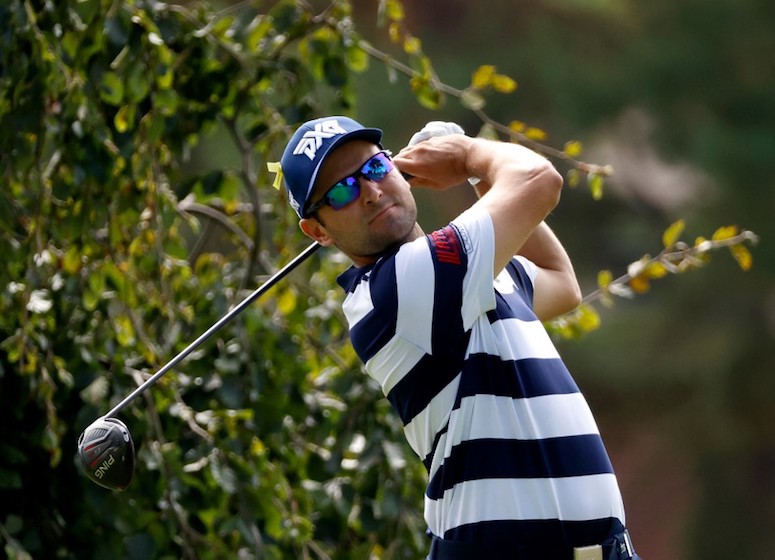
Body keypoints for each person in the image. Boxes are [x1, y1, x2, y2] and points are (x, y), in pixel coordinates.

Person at [275, 115, 641, 560]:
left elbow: (562, 285)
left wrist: (474, 174)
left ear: (395, 167)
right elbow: (540, 180)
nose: (369, 192)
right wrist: (468, 154)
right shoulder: (397, 286)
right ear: (318, 231)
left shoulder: (467, 271)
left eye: (373, 169)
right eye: (340, 192)